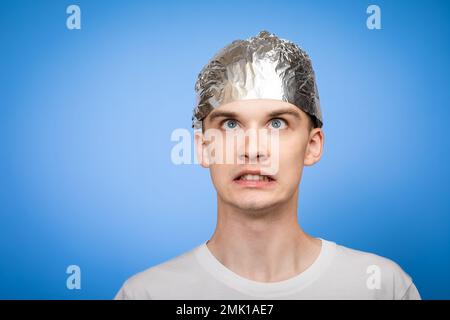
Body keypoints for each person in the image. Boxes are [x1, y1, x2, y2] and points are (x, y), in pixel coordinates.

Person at [115, 30, 420, 300]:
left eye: (277, 123)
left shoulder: (381, 288)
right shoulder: (148, 294)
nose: (253, 150)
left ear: (312, 146)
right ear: (203, 147)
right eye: (231, 125)